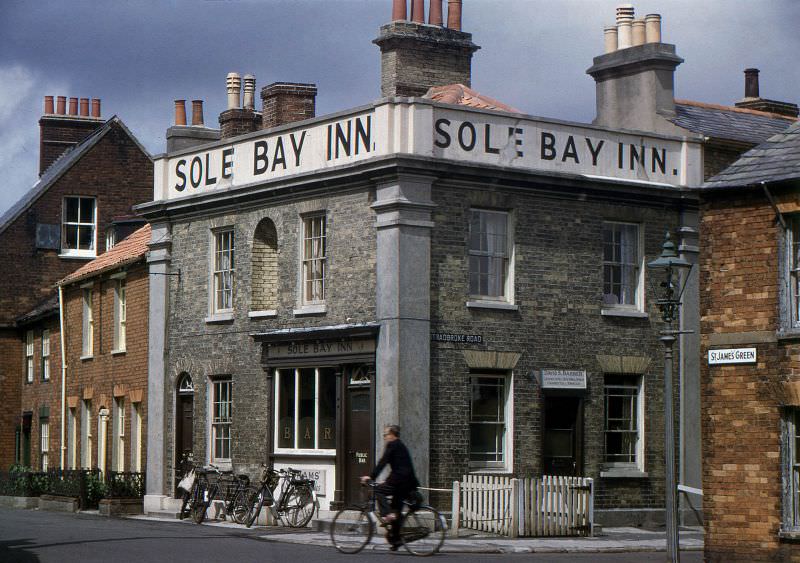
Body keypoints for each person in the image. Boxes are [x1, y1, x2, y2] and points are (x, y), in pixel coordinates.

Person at [361, 424, 420, 548]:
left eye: (385, 435)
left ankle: (387, 514)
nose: (384, 437)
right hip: (407, 483)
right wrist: (387, 481)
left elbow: (383, 462)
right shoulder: (400, 445)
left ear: (392, 435)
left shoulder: (392, 445)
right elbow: (400, 466)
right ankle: (396, 540)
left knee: (378, 491)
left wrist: (371, 477)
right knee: (396, 510)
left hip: (400, 482)